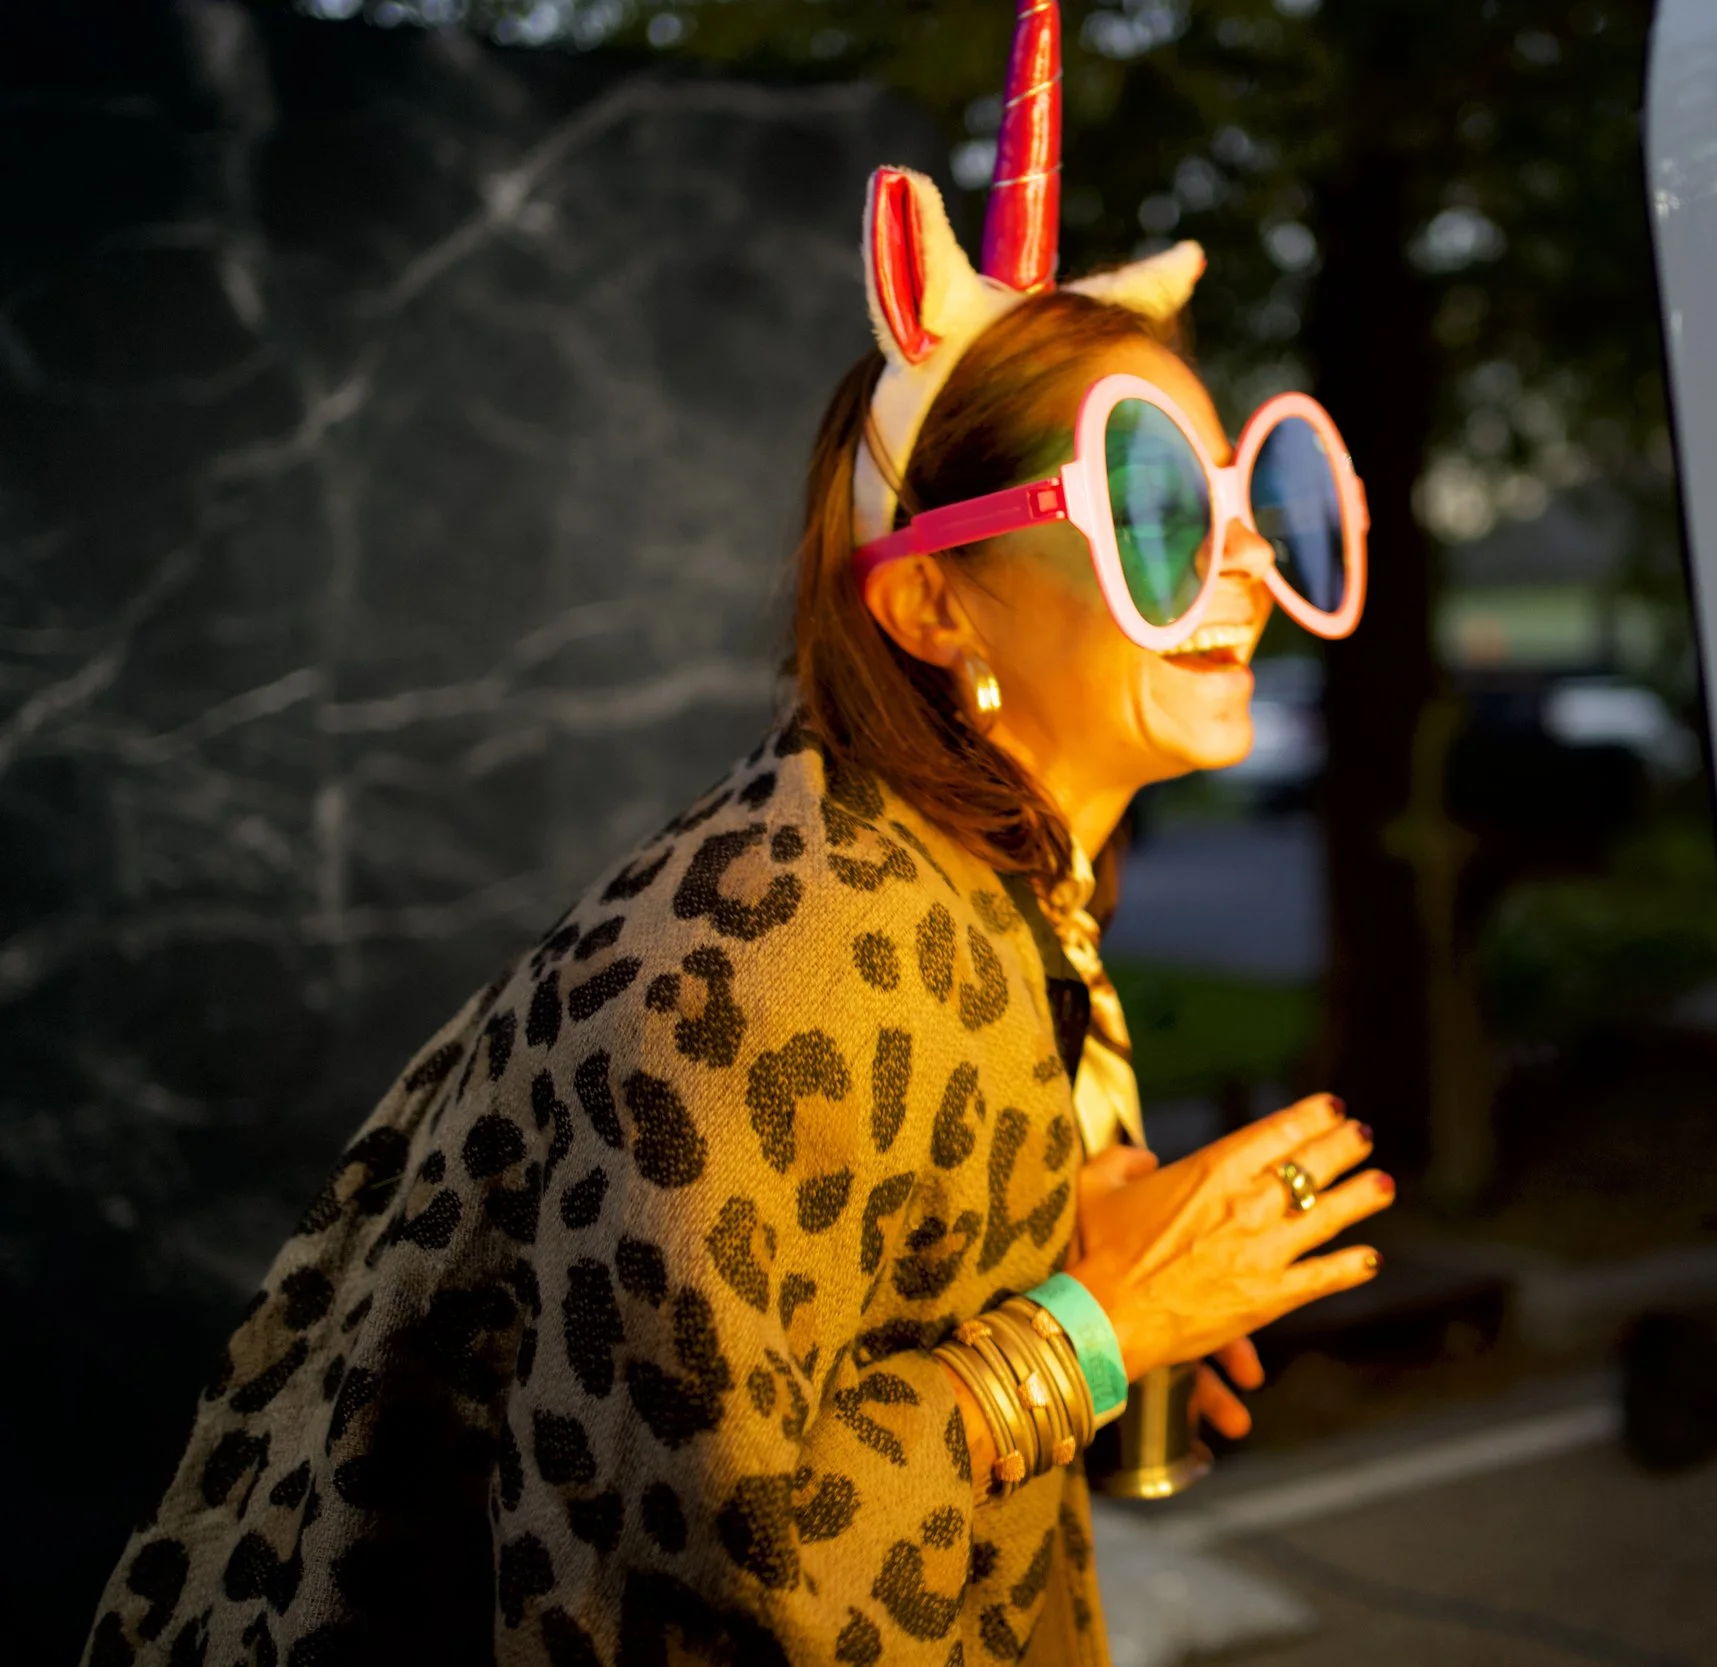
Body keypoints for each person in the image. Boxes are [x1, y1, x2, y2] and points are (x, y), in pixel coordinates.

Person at [80, 5, 1391, 1664]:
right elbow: (689, 1589)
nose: (1232, 571)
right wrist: (1090, 1323)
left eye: (1235, 491)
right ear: (932, 599)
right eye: (1146, 504)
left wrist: (1110, 1313)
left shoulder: (1000, 884)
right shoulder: (777, 967)